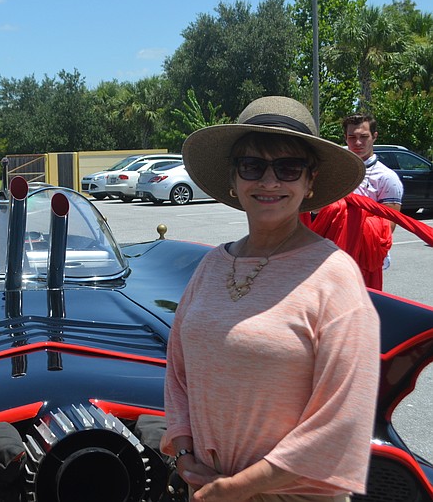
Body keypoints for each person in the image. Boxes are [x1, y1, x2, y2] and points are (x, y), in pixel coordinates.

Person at [162, 96, 380, 502]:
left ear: (309, 181)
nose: (269, 181)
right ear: (234, 177)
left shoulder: (334, 276)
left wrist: (239, 488)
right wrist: (185, 449)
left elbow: (343, 417)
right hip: (209, 488)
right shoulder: (212, 265)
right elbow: (177, 372)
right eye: (252, 166)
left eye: (288, 168)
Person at [302, 114, 403, 290]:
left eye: (364, 137)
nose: (357, 143)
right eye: (352, 137)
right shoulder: (332, 170)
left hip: (363, 258)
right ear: (345, 138)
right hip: (325, 252)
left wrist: (350, 216)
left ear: (375, 136)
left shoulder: (387, 178)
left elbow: (388, 226)